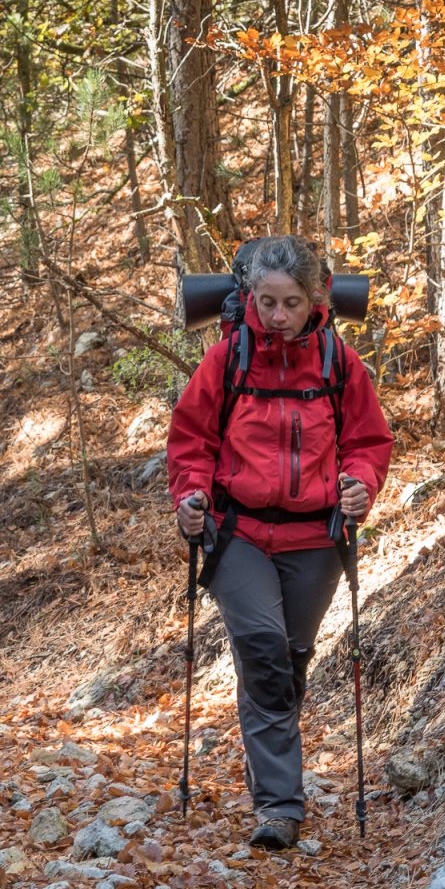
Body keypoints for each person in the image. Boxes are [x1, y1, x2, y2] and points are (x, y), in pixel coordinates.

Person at [167, 235, 393, 851]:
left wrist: (360, 486)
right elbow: (190, 442)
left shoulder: (337, 362)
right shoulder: (227, 359)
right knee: (263, 648)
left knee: (288, 660)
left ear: (315, 298)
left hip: (314, 537)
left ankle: (269, 762)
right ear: (248, 297)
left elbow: (371, 442)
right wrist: (192, 497)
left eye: (291, 302)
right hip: (237, 532)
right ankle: (280, 808)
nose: (278, 316)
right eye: (266, 302)